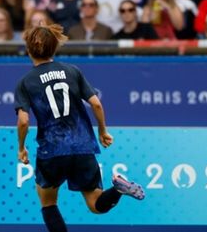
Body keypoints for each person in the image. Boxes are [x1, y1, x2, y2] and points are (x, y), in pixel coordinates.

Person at [15, 23, 144, 232]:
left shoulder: (26, 82)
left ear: (28, 50)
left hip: (52, 149)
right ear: (54, 48)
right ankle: (118, 190)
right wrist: (102, 131)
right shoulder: (72, 71)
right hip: (83, 146)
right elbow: (96, 104)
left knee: (48, 203)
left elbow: (23, 121)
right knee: (96, 205)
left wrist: (21, 148)